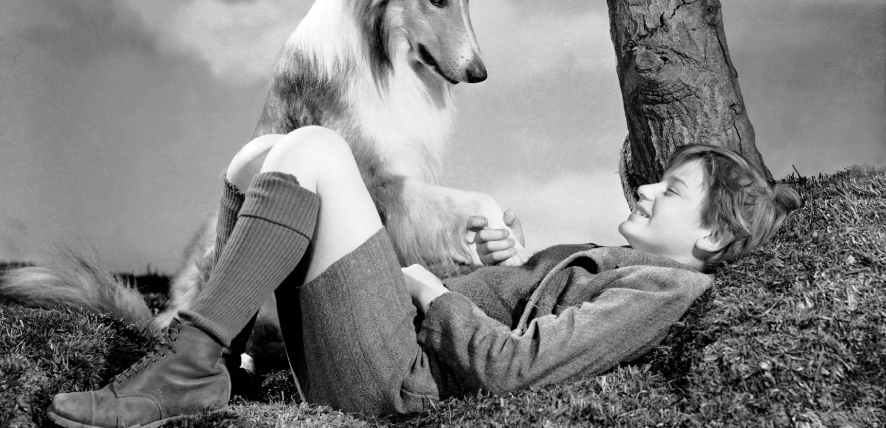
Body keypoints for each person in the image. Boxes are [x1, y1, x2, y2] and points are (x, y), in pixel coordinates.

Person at [46, 126, 801, 427]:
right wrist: (493, 264)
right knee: (258, 157)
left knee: (315, 150)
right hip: (386, 345)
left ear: (712, 235)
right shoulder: (619, 262)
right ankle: (227, 360)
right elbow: (520, 310)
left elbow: (515, 369)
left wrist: (434, 292)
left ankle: (188, 367)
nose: (646, 187)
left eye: (672, 190)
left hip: (399, 379)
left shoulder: (671, 289)